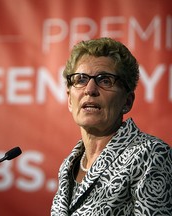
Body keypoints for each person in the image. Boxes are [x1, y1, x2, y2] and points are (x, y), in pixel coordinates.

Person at [51, 37, 172, 216]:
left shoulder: (150, 155)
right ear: (70, 99)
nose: (90, 89)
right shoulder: (69, 165)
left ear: (127, 101)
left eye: (105, 80)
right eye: (81, 79)